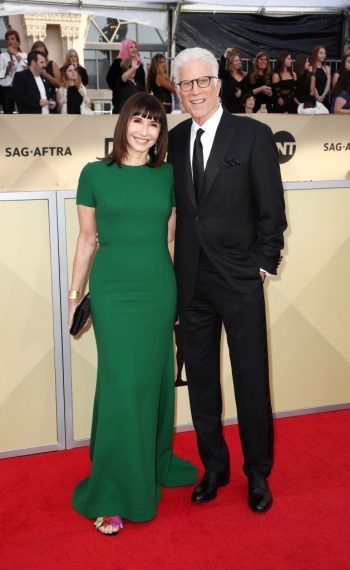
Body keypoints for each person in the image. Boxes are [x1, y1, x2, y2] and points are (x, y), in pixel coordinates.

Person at [69, 92, 198, 535]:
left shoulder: (167, 176)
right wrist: (74, 292)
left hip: (157, 290)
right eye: (138, 121)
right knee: (121, 383)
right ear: (123, 123)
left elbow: (170, 240)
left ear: (161, 132)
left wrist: (180, 295)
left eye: (154, 124)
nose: (145, 131)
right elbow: (88, 239)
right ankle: (116, 488)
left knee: (152, 380)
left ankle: (153, 459)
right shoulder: (93, 174)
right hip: (113, 291)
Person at [168, 47, 287, 513]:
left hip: (239, 280)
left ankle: (257, 473)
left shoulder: (253, 136)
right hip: (191, 282)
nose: (194, 91)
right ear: (176, 89)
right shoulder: (174, 141)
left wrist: (262, 264)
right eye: (185, 84)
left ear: (219, 84)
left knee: (251, 379)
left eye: (202, 82)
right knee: (201, 383)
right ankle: (213, 467)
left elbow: (272, 211)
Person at [106, 39, 145, 113]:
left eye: (135, 47)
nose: (134, 49)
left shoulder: (139, 65)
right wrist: (121, 90)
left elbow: (142, 84)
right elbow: (111, 80)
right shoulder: (118, 63)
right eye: (131, 47)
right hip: (122, 104)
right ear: (126, 48)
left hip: (137, 105)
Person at [0, 29, 27, 114]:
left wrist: (15, 53)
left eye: (12, 39)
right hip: (7, 88)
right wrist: (7, 68)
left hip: (21, 87)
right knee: (8, 112)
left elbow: (27, 68)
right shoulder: (2, 55)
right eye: (7, 39)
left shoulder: (24, 55)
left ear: (18, 42)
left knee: (22, 111)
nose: (9, 41)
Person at [30, 40, 61, 112]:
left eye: (42, 53)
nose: (40, 54)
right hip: (35, 102)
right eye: (37, 53)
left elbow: (60, 84)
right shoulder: (30, 66)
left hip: (50, 101)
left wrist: (46, 75)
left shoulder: (53, 64)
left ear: (46, 53)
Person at [219, 48, 249, 113]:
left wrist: (241, 92)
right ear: (230, 63)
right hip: (228, 109)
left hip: (240, 108)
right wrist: (225, 54)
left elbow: (247, 91)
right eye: (236, 61)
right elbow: (221, 70)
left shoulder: (244, 75)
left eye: (239, 60)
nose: (239, 62)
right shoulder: (226, 75)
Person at [310, 45, 331, 109]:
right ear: (315, 54)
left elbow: (328, 83)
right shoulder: (311, 68)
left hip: (324, 96)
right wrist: (318, 97)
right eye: (321, 53)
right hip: (314, 96)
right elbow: (313, 84)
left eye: (324, 53)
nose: (323, 55)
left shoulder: (327, 68)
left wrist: (323, 95)